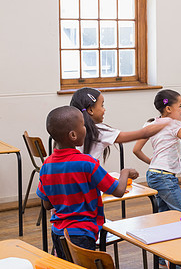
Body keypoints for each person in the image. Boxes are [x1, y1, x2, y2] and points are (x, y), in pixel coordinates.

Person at [36, 106, 139, 260]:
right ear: (73, 135)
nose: (86, 128)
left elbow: (47, 205)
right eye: (83, 125)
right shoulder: (87, 163)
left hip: (58, 233)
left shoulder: (46, 165)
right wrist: (125, 172)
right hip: (82, 234)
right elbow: (118, 190)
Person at [133, 89, 181, 214]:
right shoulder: (174, 124)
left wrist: (153, 162)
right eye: (180, 106)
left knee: (164, 215)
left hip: (153, 174)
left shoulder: (150, 124)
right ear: (168, 109)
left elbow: (136, 150)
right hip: (165, 177)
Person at [70, 87, 169, 162]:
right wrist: (169, 121)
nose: (104, 109)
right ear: (91, 110)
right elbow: (143, 133)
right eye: (102, 105)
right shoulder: (99, 131)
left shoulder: (70, 130)